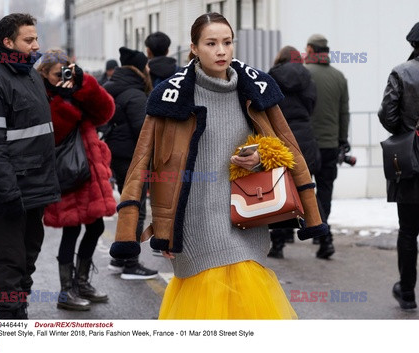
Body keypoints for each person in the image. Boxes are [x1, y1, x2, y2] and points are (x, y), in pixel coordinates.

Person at [109, 12, 328, 319]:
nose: (221, 50)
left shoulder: (256, 88)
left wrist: (262, 156)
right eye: (211, 43)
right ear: (194, 48)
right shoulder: (170, 97)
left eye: (227, 42)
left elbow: (288, 148)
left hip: (245, 216)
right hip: (193, 222)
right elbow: (141, 165)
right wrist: (155, 230)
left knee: (248, 304)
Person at [0, 13, 61, 319]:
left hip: (34, 188)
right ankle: (10, 321)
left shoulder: (27, 73)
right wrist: (9, 195)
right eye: (28, 40)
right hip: (9, 193)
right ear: (8, 42)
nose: (36, 46)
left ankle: (19, 309)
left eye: (36, 39)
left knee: (27, 257)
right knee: (10, 261)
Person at [37, 50, 116, 310]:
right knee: (72, 227)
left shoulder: (77, 89)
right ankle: (65, 291)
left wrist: (85, 86)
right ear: (44, 75)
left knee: (95, 228)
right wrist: (64, 102)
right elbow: (54, 133)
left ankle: (81, 282)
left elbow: (105, 112)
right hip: (67, 171)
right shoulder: (42, 96)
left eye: (67, 72)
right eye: (57, 75)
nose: (63, 78)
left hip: (88, 171)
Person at [102, 47, 158, 280]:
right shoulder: (135, 95)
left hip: (114, 154)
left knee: (127, 206)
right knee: (136, 209)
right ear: (139, 68)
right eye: (146, 66)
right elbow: (142, 132)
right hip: (133, 158)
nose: (148, 70)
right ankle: (131, 263)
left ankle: (119, 259)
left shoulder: (109, 88)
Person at [378, 22, 419, 310]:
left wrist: (406, 130)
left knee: (408, 230)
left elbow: (387, 114)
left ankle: (406, 292)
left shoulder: (402, 72)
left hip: (411, 160)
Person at [267, 45, 321, 258]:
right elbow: (312, 103)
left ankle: (278, 243)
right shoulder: (307, 76)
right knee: (306, 185)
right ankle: (321, 233)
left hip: (280, 134)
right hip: (305, 134)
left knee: (280, 188)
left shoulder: (271, 76)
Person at [304, 34, 350, 259]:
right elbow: (344, 113)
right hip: (330, 144)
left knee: (300, 189)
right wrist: (343, 140)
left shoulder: (305, 74)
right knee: (325, 191)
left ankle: (281, 241)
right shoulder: (339, 77)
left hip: (307, 144)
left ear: (311, 49)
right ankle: (324, 237)